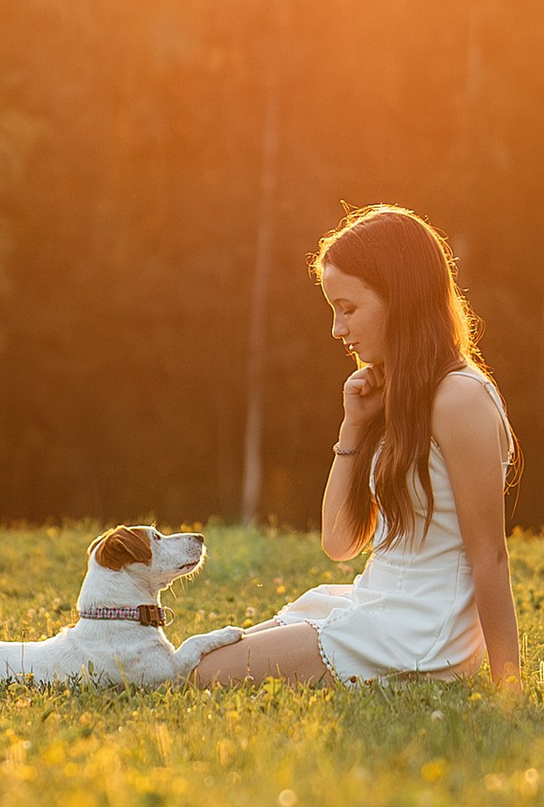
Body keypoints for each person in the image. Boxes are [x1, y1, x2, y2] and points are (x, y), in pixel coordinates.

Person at [184, 203, 522, 690]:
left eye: (348, 309)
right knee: (207, 655)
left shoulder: (460, 398)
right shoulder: (398, 393)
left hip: (419, 633)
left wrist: (509, 686)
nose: (337, 330)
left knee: (202, 674)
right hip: (376, 605)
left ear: (401, 299)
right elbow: (339, 543)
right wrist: (354, 429)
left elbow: (489, 556)